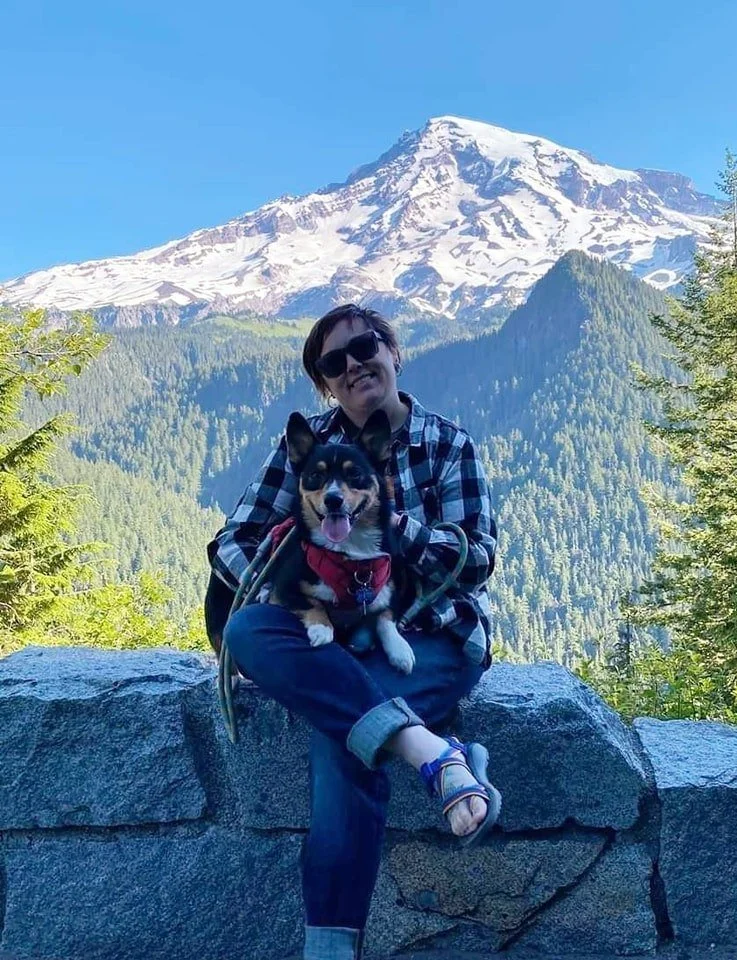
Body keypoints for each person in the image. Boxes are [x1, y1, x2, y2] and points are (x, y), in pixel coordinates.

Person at [205, 303, 500, 960]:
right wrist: (294, 570)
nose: (352, 365)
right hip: (330, 635)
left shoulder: (447, 446)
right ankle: (437, 754)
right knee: (249, 629)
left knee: (345, 742)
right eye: (332, 363)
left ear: (393, 351)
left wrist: (395, 533)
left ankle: (329, 952)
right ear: (327, 384)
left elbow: (478, 560)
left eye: (363, 346)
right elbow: (231, 541)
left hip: (432, 635)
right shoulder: (308, 446)